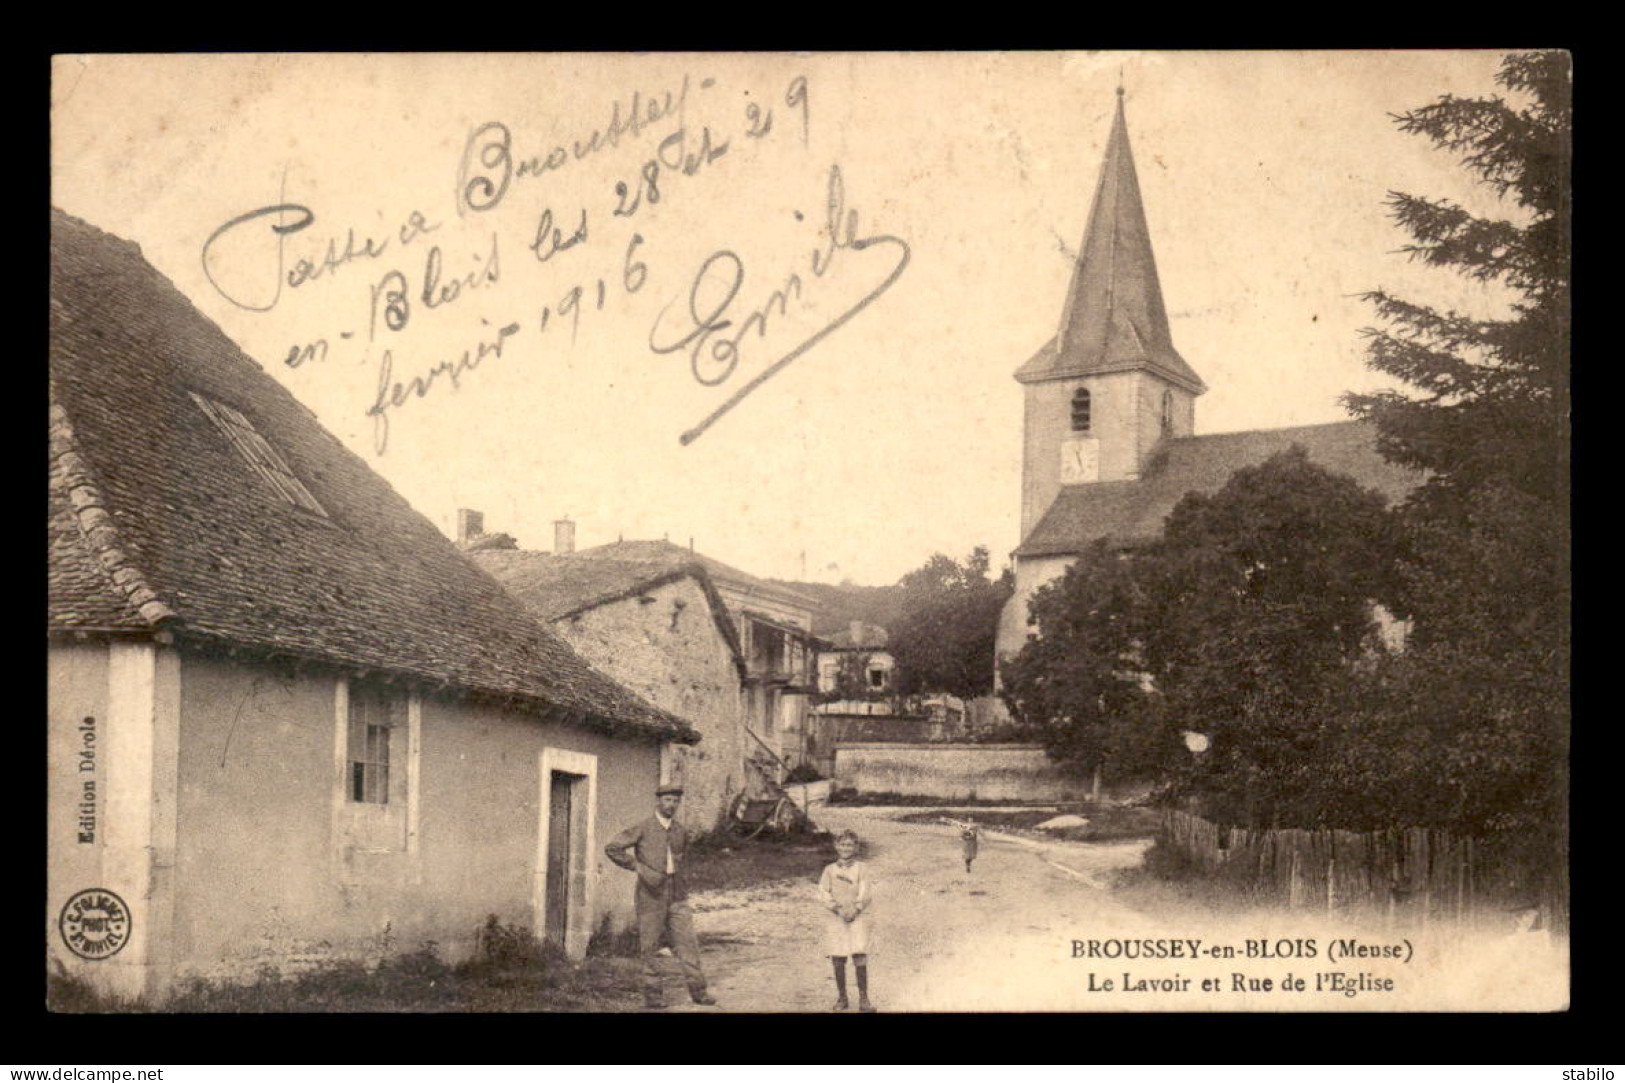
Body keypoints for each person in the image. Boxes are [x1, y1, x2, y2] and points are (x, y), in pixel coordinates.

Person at [604, 783, 717, 1010]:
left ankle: (699, 992)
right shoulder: (643, 828)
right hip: (650, 894)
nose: (671, 805)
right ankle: (654, 997)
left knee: (688, 944)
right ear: (658, 802)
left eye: (675, 801)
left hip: (677, 893)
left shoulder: (681, 831)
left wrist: (681, 883)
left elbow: (683, 859)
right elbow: (613, 848)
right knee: (650, 946)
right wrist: (639, 867)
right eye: (667, 800)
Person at [818, 829, 875, 1012]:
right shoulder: (829, 870)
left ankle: (864, 999)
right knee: (838, 956)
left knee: (859, 953)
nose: (846, 848)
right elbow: (823, 892)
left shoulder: (862, 868)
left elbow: (865, 892)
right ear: (836, 846)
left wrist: (856, 909)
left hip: (857, 916)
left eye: (850, 845)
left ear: (856, 847)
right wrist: (836, 908)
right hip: (837, 917)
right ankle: (842, 998)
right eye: (842, 844)